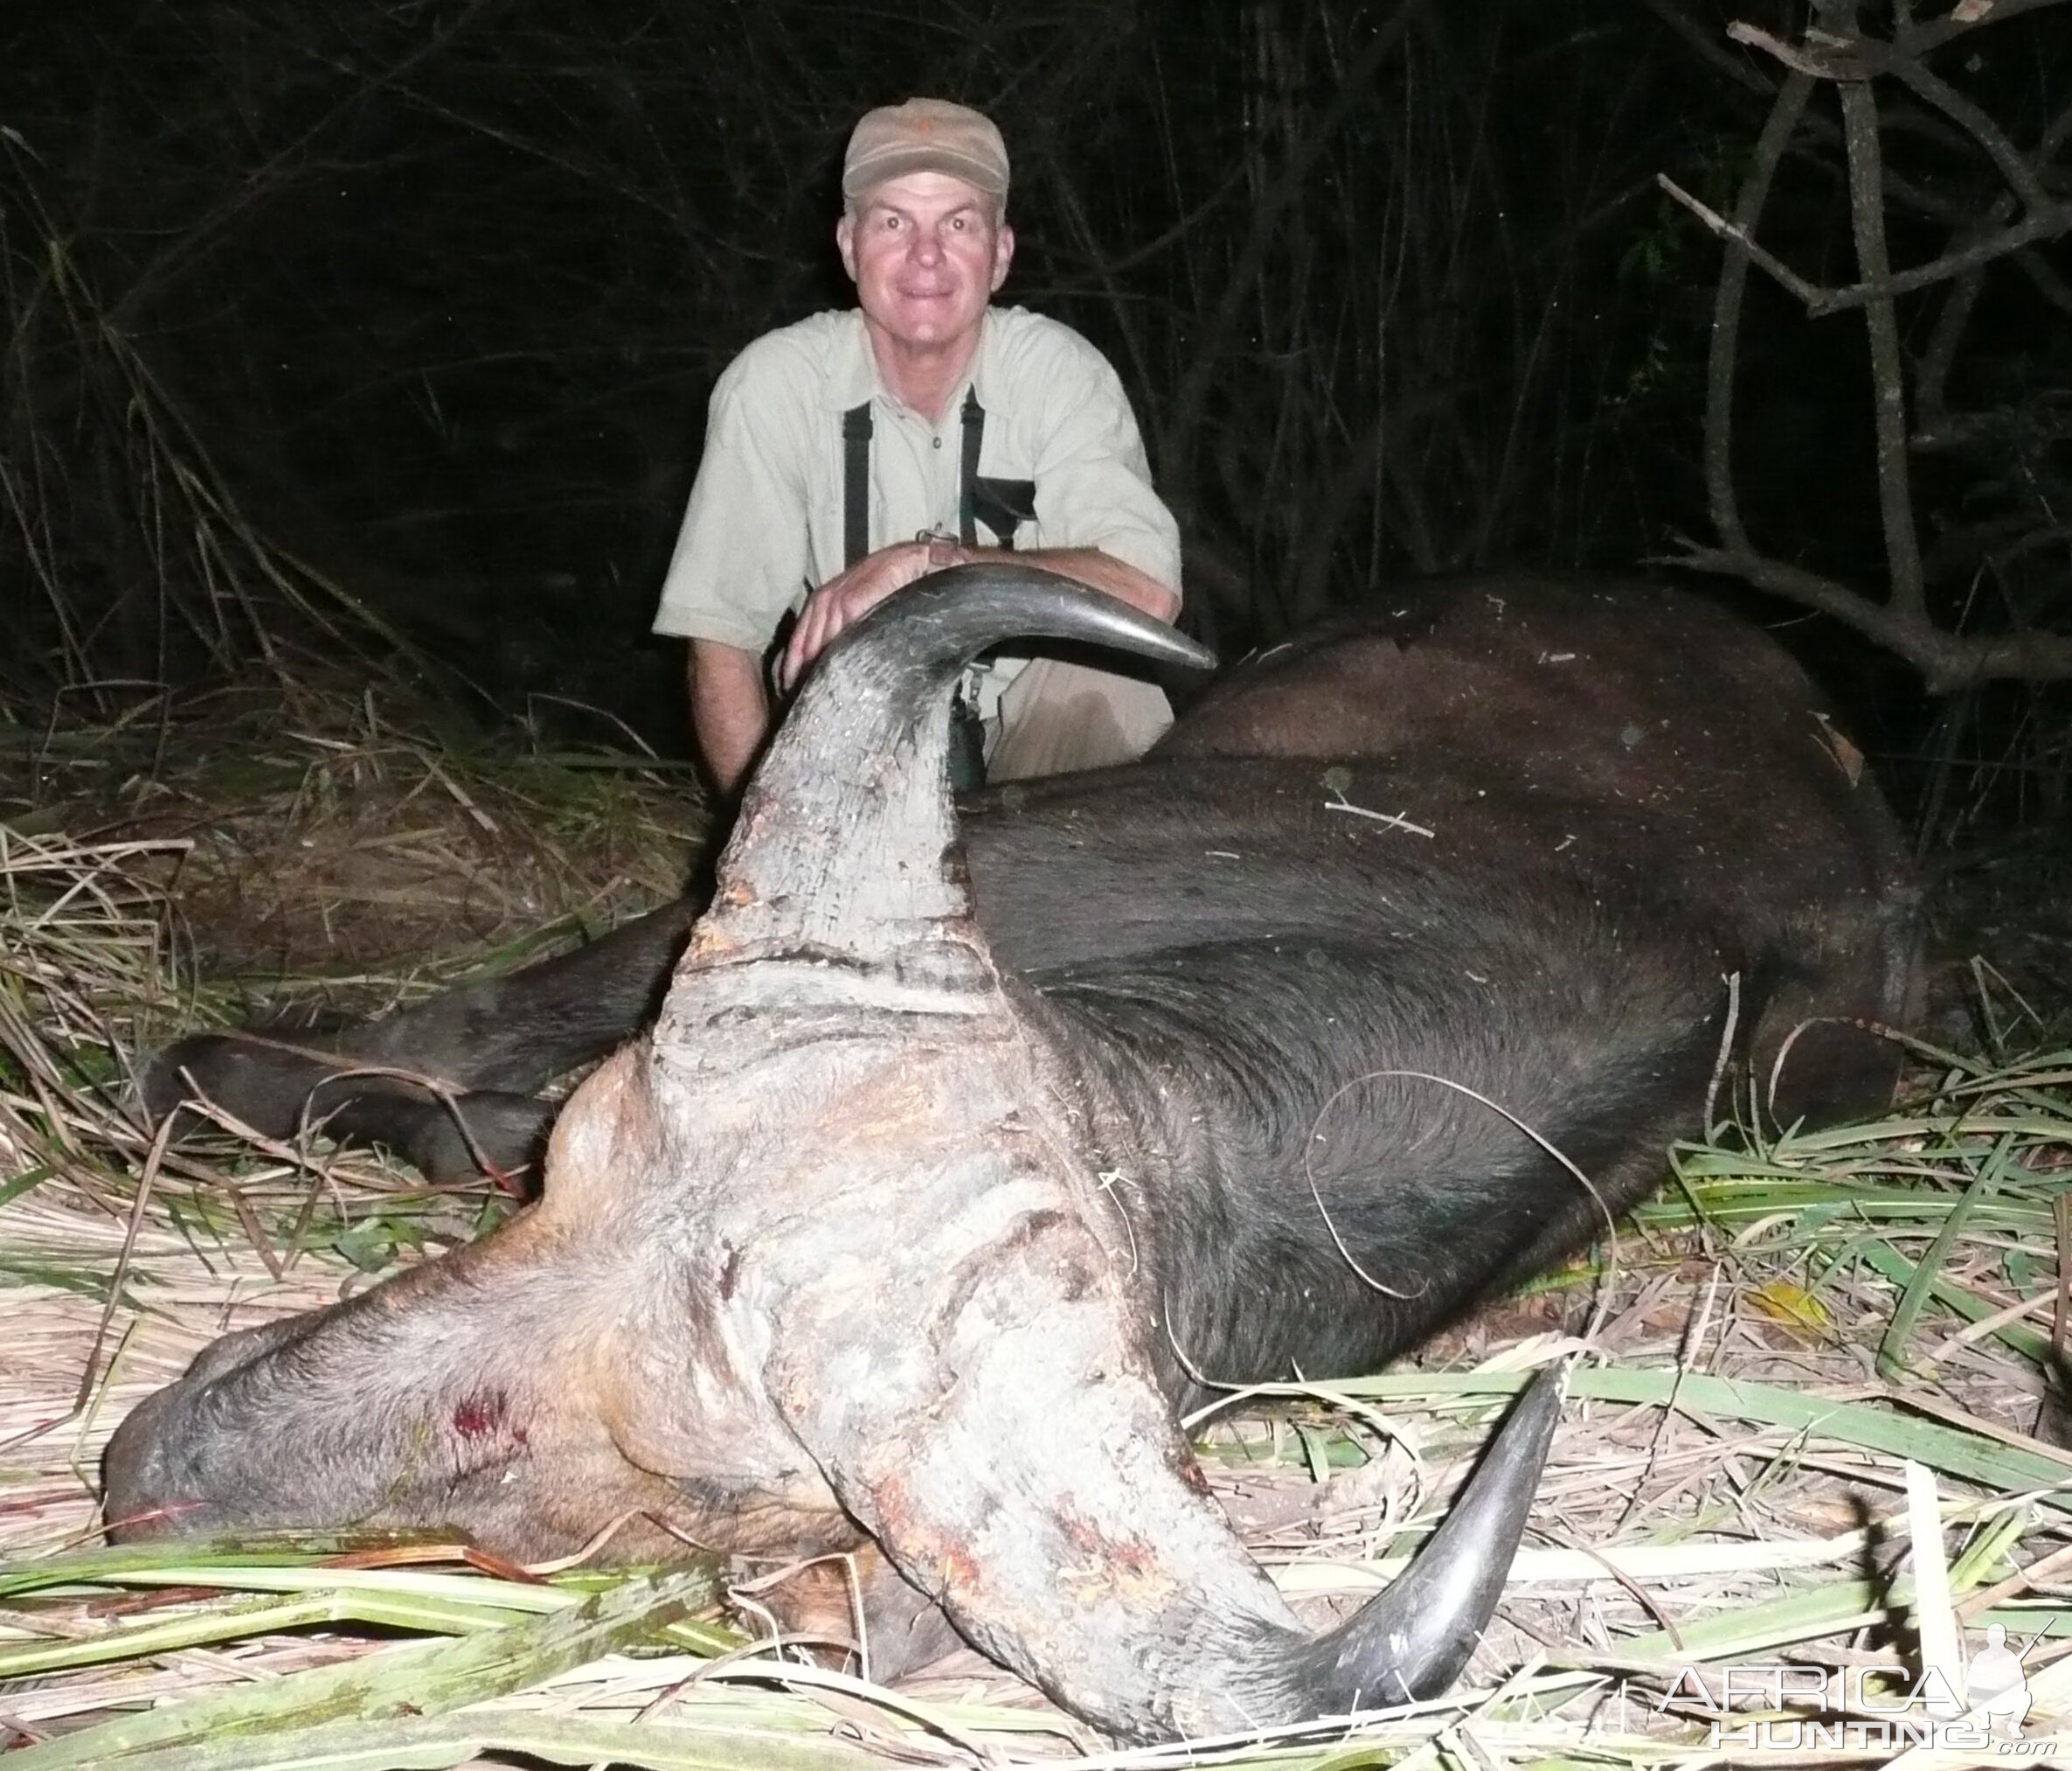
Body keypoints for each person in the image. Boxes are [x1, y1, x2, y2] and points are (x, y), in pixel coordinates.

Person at [653, 98, 1184, 795]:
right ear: (848, 246)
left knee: (1115, 682)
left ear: (999, 254)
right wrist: (754, 839)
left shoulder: (1058, 371)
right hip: (852, 728)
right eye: (893, 221)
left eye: (957, 223)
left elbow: (1146, 590)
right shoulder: (775, 382)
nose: (925, 255)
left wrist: (930, 568)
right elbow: (720, 642)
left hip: (1025, 728)